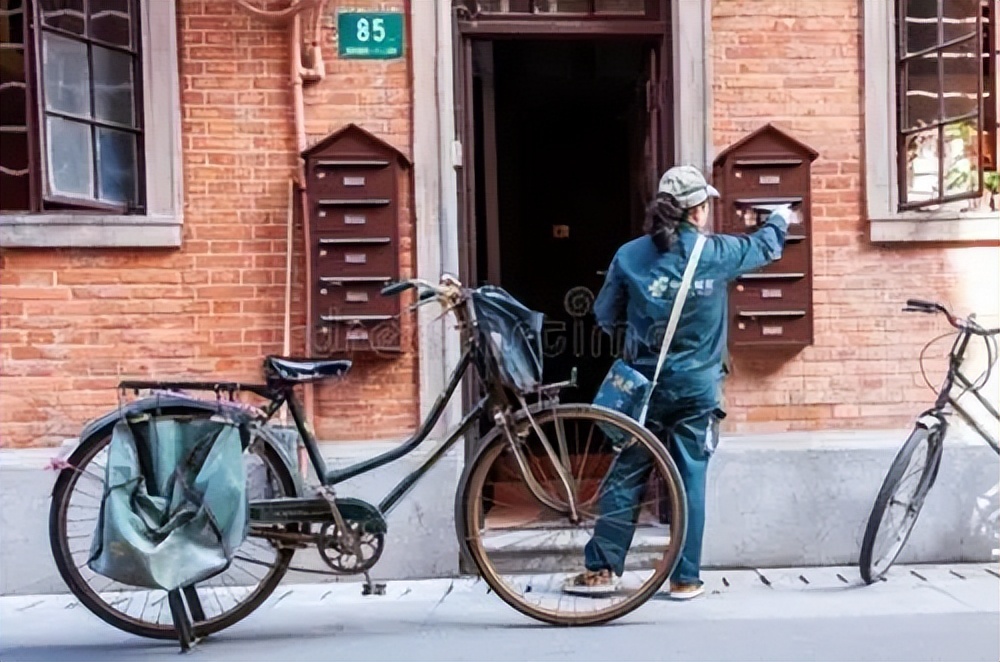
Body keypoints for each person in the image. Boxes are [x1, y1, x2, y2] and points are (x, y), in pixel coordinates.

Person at [563, 164, 791, 600]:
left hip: (643, 387)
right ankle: (685, 578)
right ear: (698, 210)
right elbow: (764, 246)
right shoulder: (718, 253)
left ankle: (602, 571)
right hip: (697, 389)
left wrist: (638, 334)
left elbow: (605, 315)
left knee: (626, 473)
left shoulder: (629, 255)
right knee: (690, 479)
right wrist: (779, 217)